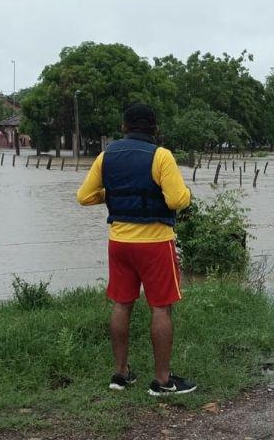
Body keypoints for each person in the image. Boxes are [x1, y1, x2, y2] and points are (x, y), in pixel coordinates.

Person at [76, 102, 196, 397]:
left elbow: (84, 196)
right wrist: (185, 194)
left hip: (119, 242)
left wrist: (112, 194)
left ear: (124, 127)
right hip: (155, 243)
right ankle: (163, 381)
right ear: (155, 129)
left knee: (122, 304)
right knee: (161, 307)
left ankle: (120, 374)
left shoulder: (106, 156)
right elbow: (178, 200)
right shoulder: (161, 156)